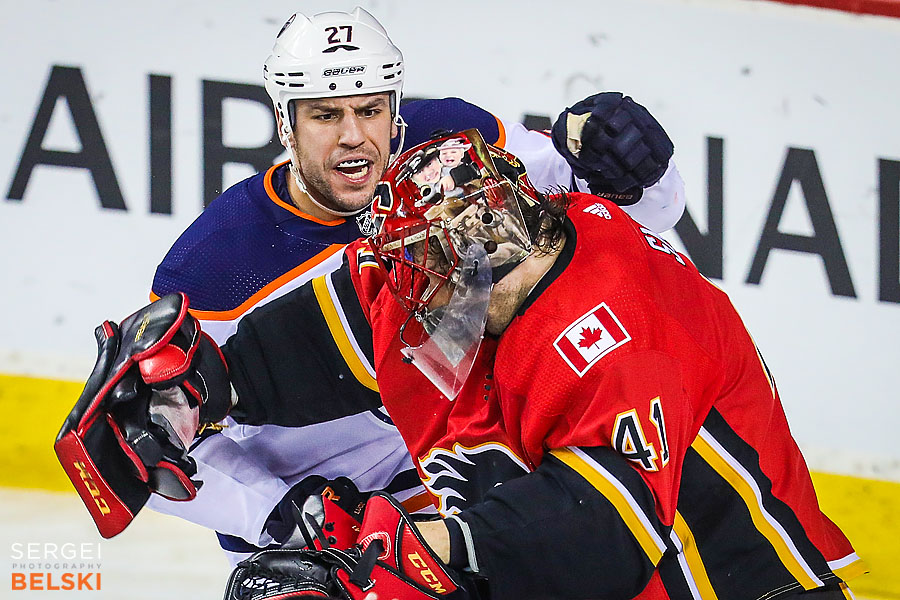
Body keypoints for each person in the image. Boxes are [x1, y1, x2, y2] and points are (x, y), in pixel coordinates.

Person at [55, 6, 685, 568]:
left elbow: (635, 216)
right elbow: (147, 441)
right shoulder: (216, 267)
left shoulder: (457, 147)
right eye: (325, 115)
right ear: (285, 122)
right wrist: (279, 516)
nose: (353, 136)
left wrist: (642, 170)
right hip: (335, 528)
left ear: (395, 107)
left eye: (370, 109)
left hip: (469, 470)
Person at [218, 130, 864, 600]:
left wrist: (436, 550)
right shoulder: (475, 283)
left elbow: (605, 533)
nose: (401, 287)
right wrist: (209, 382)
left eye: (415, 267)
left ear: (469, 261)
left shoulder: (623, 330)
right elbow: (357, 316)